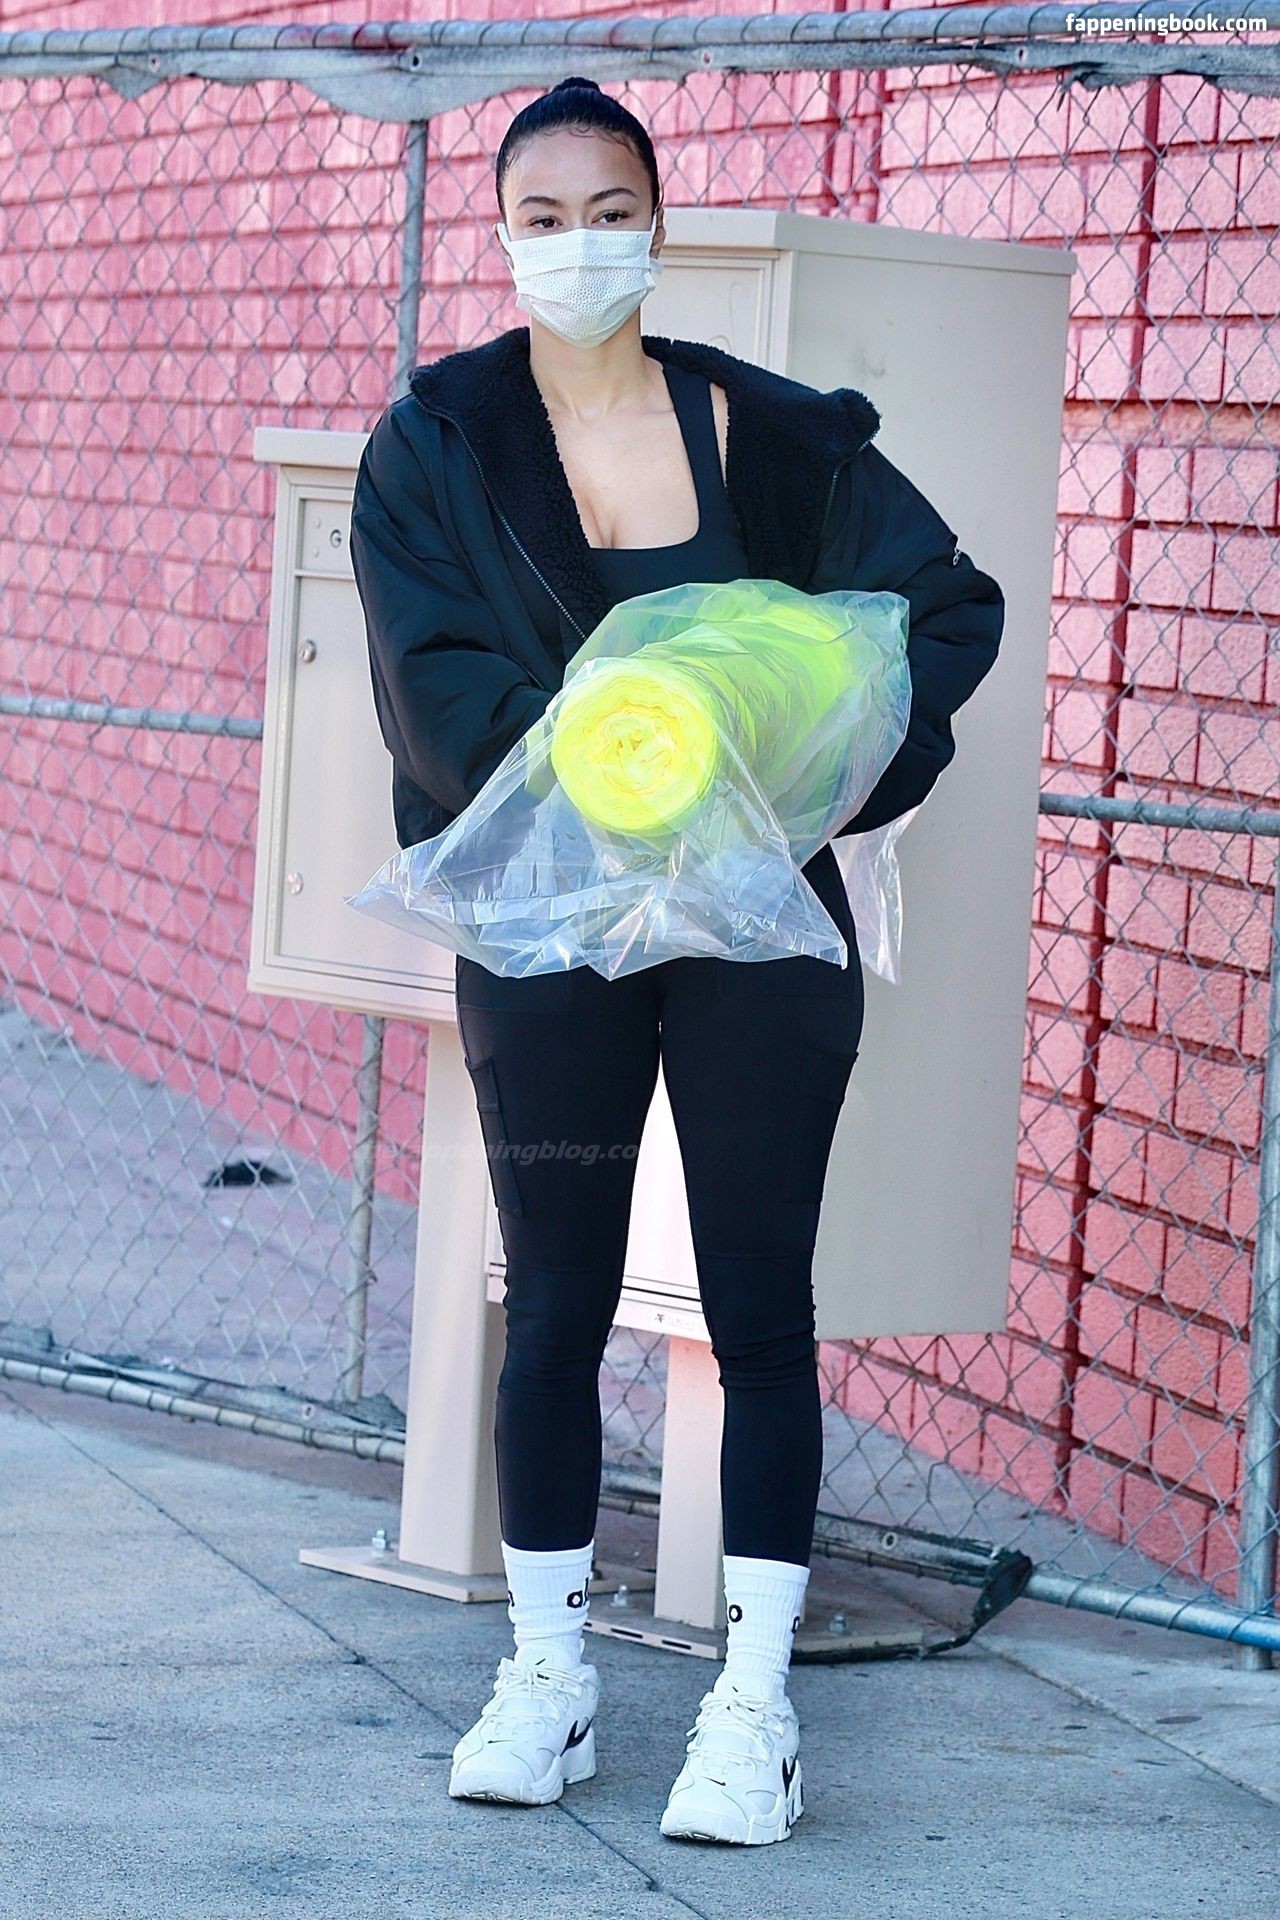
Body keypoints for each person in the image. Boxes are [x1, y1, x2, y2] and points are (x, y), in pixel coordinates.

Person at [349, 75, 1005, 1847]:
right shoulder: (436, 443)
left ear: (659, 221)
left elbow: (938, 612)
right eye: (544, 219)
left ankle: (753, 1706)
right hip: (554, 933)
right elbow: (434, 687)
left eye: (611, 211)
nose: (580, 247)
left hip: (757, 931)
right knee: (555, 1298)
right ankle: (548, 1678)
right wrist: (612, 776)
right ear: (504, 236)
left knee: (757, 1304)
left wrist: (819, 758)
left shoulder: (774, 436)